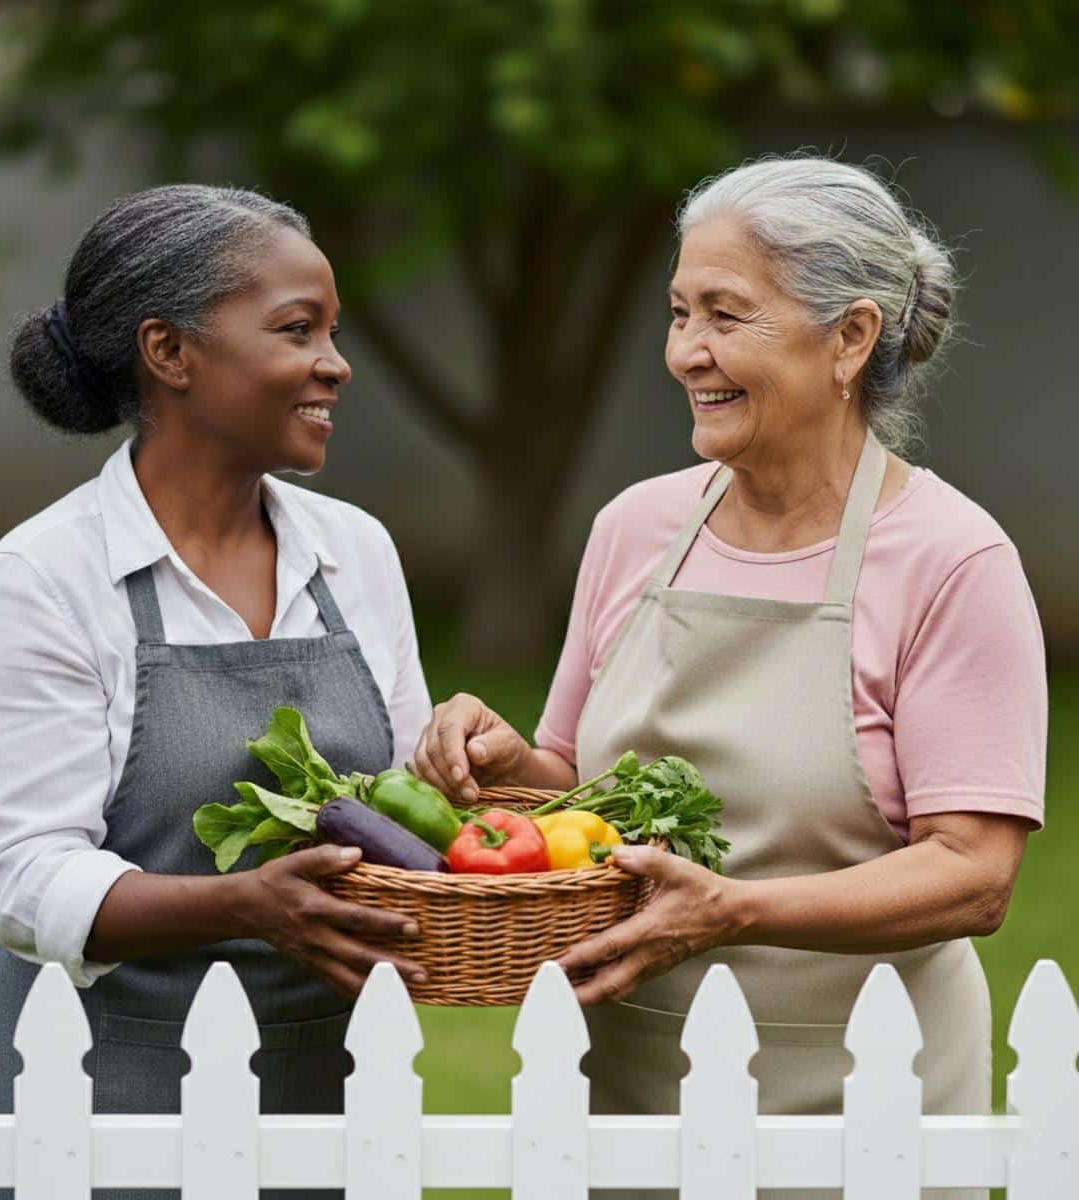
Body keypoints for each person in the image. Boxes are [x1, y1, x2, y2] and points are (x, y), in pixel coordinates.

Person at [414, 156, 1046, 1200]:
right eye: (678, 313)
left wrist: (736, 908)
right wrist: (501, 759)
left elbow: (974, 873)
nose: (686, 354)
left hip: (863, 1104)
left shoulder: (950, 561)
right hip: (624, 1088)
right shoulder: (637, 529)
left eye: (725, 315)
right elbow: (571, 788)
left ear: (850, 338)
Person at [0, 184, 432, 1200]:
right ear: (168, 352)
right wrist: (245, 906)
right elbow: (26, 878)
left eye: (333, 332)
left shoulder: (355, 554)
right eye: (297, 331)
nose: (335, 364)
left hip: (325, 1086)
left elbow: (405, 821)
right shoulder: (49, 578)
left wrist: (461, 771)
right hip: (92, 1096)